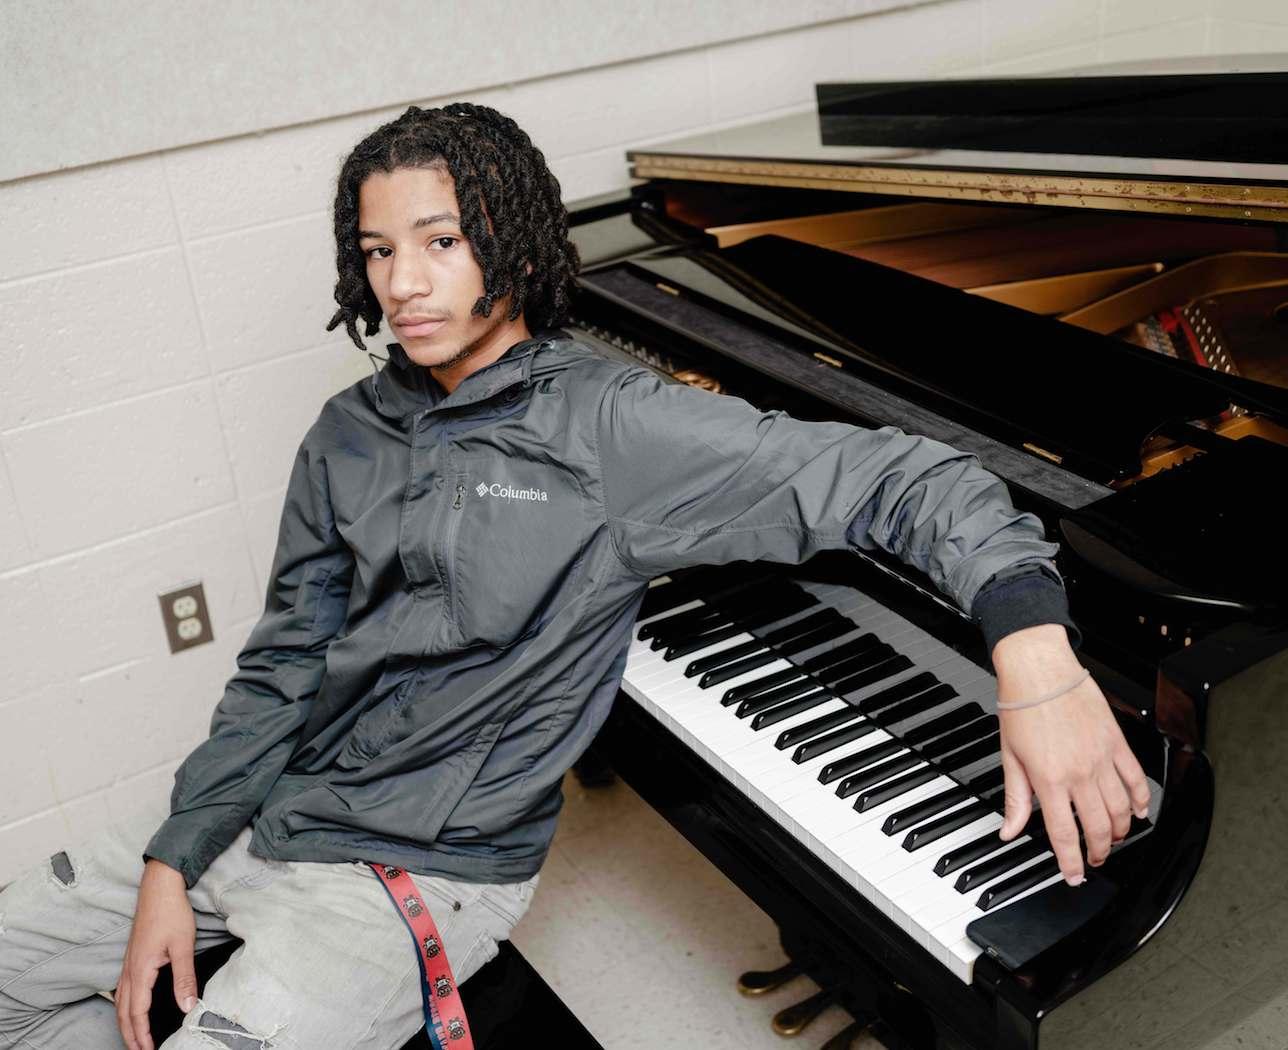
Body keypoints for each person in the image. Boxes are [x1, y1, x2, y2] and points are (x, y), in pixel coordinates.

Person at [0, 102, 1150, 1050]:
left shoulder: (608, 428)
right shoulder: (343, 432)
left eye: (441, 241)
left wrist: (1034, 661)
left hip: (411, 881)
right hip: (268, 813)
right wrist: (173, 856)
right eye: (378, 250)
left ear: (510, 238)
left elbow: (911, 479)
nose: (404, 283)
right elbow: (282, 663)